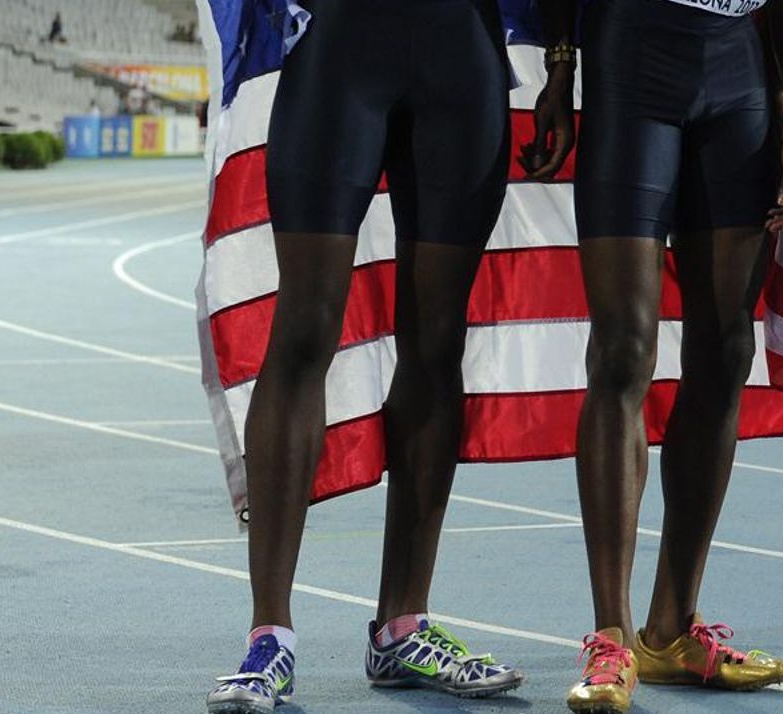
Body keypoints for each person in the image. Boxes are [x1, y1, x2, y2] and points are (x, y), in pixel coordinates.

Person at [203, 0, 524, 712]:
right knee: (306, 329)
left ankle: (403, 624)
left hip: (460, 52)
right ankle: (269, 636)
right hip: (342, 49)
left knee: (438, 343)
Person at [525, 0, 783, 711]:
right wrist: (561, 69)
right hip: (632, 62)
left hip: (738, 72)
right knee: (623, 352)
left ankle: (671, 628)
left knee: (725, 351)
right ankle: (611, 635)